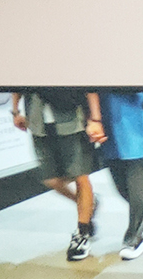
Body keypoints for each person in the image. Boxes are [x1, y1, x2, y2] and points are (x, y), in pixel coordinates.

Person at [11, 89, 106, 262]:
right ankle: (88, 203)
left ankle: (82, 233)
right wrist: (15, 111)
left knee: (80, 176)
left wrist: (95, 119)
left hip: (72, 120)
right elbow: (17, 83)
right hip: (38, 123)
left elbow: (89, 86)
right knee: (51, 180)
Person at [96, 91, 143, 260]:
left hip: (132, 115)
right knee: (120, 185)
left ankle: (134, 239)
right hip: (105, 116)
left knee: (135, 177)